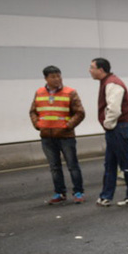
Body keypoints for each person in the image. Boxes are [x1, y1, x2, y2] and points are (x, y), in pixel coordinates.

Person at [29, 65, 86, 204]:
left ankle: (78, 192)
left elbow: (80, 112)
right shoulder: (39, 93)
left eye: (59, 76)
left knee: (72, 165)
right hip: (47, 137)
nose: (57, 79)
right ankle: (59, 193)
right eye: (53, 77)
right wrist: (38, 125)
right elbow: (33, 111)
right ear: (46, 78)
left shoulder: (70, 92)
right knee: (54, 167)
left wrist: (67, 126)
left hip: (66, 136)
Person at [89, 58, 128, 207]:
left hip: (118, 128)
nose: (89, 70)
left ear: (101, 69)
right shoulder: (108, 82)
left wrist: (108, 124)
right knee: (110, 163)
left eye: (92, 67)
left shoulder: (112, 83)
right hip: (115, 128)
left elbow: (114, 109)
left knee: (126, 163)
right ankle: (106, 196)